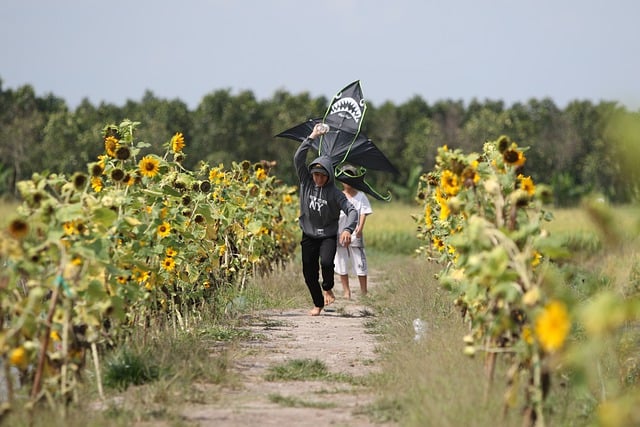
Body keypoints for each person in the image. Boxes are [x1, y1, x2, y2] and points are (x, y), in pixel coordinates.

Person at [294, 123, 358, 316]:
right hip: (308, 233)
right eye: (316, 174)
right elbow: (298, 158)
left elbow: (352, 210)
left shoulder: (335, 193)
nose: (318, 179)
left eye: (322, 176)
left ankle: (328, 286)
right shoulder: (306, 182)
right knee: (309, 274)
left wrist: (348, 229)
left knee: (328, 263)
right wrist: (312, 136)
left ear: (329, 176)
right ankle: (318, 303)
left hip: (328, 235)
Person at [334, 165, 373, 299]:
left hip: (355, 232)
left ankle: (364, 291)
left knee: (360, 262)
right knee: (341, 262)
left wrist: (360, 228)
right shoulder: (338, 195)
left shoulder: (361, 196)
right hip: (339, 231)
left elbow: (363, 212)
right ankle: (346, 291)